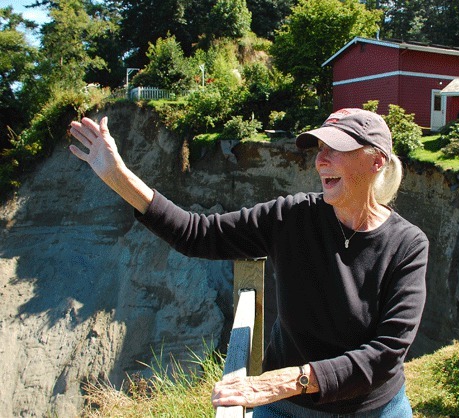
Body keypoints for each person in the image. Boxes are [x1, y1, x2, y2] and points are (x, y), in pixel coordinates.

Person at [69, 107, 428, 417]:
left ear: (376, 160)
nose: (321, 160)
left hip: (375, 410)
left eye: (337, 149)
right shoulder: (291, 217)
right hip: (289, 409)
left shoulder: (408, 245)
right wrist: (117, 176)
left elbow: (385, 354)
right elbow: (198, 234)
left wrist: (285, 380)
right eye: (320, 148)